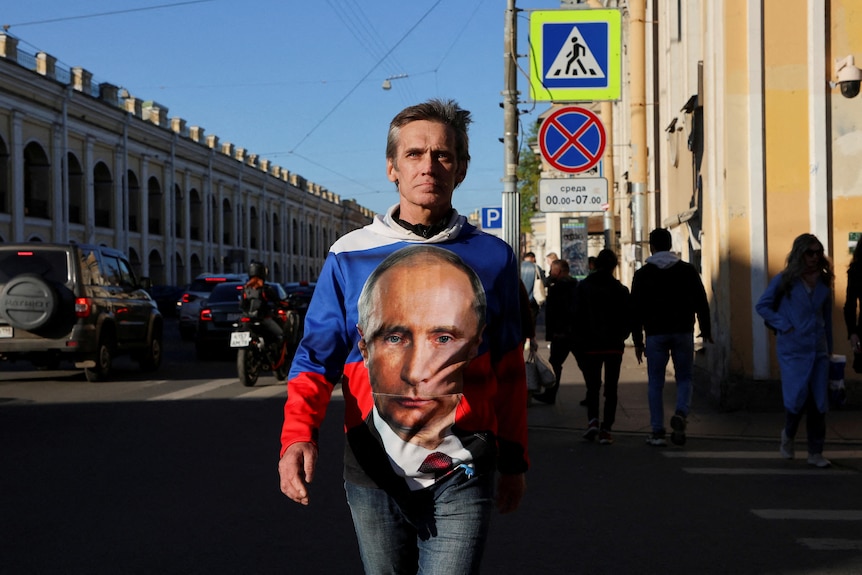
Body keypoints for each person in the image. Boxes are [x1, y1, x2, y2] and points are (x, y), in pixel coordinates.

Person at [277, 99, 528, 574]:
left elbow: (510, 369)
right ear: (392, 167)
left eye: (443, 155)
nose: (428, 166)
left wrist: (514, 460)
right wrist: (297, 437)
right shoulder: (349, 255)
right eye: (414, 154)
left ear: (462, 168)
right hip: (373, 472)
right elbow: (315, 359)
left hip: (465, 468)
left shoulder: (493, 258)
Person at [356, 246, 484, 474]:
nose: (414, 373)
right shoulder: (360, 450)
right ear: (365, 349)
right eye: (394, 338)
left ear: (475, 345)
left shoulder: (481, 443)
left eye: (443, 338)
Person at [756, 233, 834, 468]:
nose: (815, 257)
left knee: (819, 401)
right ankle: (787, 437)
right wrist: (785, 325)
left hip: (818, 349)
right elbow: (763, 306)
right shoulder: (785, 280)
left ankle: (815, 452)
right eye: (810, 252)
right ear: (800, 253)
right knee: (796, 399)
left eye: (818, 252)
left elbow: (827, 317)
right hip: (793, 350)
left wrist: (830, 348)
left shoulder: (824, 282)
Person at [631, 228, 713, 447]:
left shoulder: (642, 274)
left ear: (652, 246)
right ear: (670, 246)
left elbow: (636, 310)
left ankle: (657, 431)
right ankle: (681, 412)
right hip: (683, 331)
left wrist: (638, 341)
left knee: (655, 383)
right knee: (685, 377)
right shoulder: (687, 270)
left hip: (656, 334)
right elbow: (701, 300)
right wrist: (705, 329)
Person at [572, 249, 632, 444]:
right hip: (614, 345)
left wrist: (579, 340)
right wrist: (623, 336)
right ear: (615, 266)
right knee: (611, 389)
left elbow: (576, 315)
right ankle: (607, 429)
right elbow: (627, 318)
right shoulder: (621, 290)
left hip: (590, 345)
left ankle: (592, 421)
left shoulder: (583, 287)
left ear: (595, 264)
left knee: (592, 386)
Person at [532, 258, 578, 405]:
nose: (550, 273)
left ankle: (550, 394)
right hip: (576, 333)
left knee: (555, 365)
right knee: (585, 365)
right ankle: (592, 394)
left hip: (561, 334)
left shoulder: (557, 288)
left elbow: (553, 313)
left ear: (557, 271)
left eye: (552, 270)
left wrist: (552, 334)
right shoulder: (577, 285)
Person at [241, 261, 284, 361]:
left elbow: (242, 305)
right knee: (280, 335)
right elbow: (277, 301)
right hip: (263, 319)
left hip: (247, 319)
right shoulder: (265, 289)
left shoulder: (245, 289)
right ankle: (273, 355)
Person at [844, 242, 862, 362]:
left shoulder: (856, 270)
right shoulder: (857, 270)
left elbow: (850, 304)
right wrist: (852, 332)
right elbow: (850, 304)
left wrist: (852, 332)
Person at [520, 251, 545, 336]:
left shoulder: (518, 266)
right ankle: (530, 338)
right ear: (533, 258)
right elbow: (543, 282)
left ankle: (524, 337)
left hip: (521, 298)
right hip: (533, 299)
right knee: (532, 320)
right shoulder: (536, 267)